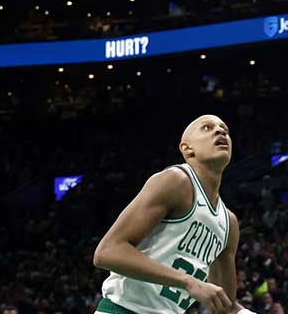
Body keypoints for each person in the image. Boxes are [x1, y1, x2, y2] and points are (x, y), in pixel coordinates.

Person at [92, 115, 245, 314]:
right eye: (207, 128)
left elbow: (225, 306)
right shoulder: (176, 181)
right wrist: (188, 282)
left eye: (225, 129)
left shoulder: (229, 223)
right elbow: (107, 252)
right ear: (187, 148)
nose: (220, 131)